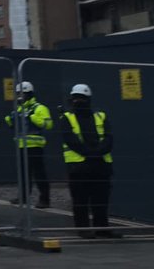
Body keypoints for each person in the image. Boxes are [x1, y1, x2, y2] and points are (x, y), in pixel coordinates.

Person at [61, 83, 117, 239]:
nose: (79, 101)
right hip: (79, 167)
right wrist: (92, 153)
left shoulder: (101, 116)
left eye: (82, 98)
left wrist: (95, 153)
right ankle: (83, 229)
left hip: (100, 166)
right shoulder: (67, 118)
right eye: (76, 98)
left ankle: (102, 228)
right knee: (80, 200)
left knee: (101, 200)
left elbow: (108, 138)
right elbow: (70, 140)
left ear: (89, 99)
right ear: (71, 100)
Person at [4, 81, 51, 208]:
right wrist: (10, 119)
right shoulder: (19, 109)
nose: (19, 97)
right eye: (18, 94)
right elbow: (13, 126)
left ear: (29, 94)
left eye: (22, 94)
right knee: (24, 174)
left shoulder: (39, 108)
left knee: (39, 174)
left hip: (35, 147)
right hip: (21, 146)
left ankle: (45, 199)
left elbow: (48, 124)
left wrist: (32, 117)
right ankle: (24, 197)